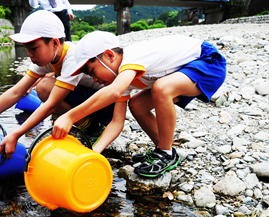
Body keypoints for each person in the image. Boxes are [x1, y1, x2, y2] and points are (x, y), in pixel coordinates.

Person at [52, 31, 227, 178]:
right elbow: (116, 123)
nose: (95, 79)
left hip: (209, 62)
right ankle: (165, 151)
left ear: (109, 55)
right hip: (183, 70)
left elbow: (113, 92)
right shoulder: (124, 78)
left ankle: (164, 153)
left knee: (161, 88)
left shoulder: (130, 58)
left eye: (93, 72)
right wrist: (93, 153)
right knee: (137, 105)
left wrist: (70, 116)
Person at [0, 12, 114, 159]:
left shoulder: (72, 56)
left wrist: (16, 134)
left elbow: (51, 105)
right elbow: (16, 92)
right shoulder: (49, 59)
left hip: (108, 108)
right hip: (91, 103)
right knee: (45, 86)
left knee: (44, 87)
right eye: (27, 48)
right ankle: (88, 125)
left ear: (54, 43)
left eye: (34, 48)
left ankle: (93, 129)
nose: (29, 54)